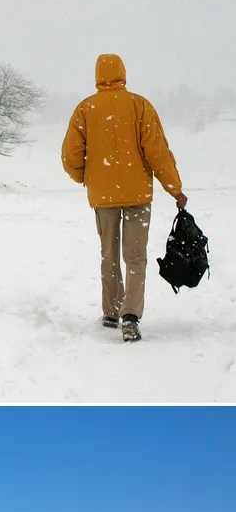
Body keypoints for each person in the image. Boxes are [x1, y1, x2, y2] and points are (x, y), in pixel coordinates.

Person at [62, 54, 187, 342]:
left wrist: (87, 177)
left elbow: (70, 155)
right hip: (137, 195)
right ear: (122, 73)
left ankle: (111, 311)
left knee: (109, 253)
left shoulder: (86, 109)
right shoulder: (139, 106)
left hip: (103, 195)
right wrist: (175, 189)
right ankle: (131, 315)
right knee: (135, 256)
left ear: (98, 75)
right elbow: (158, 152)